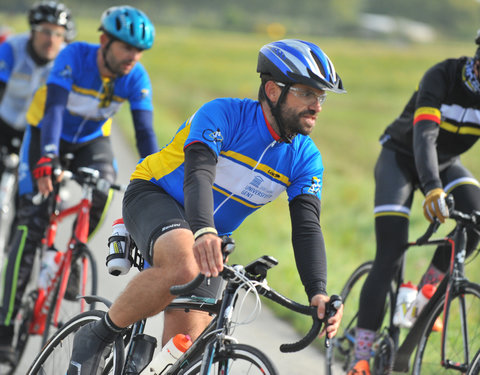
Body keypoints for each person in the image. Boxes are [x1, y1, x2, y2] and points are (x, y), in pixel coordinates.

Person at [66, 38, 346, 374]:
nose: (317, 105)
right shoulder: (224, 115)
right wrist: (203, 231)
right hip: (156, 195)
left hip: (210, 233)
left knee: (178, 360)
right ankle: (98, 335)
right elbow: (198, 174)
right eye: (307, 93)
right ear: (273, 90)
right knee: (185, 264)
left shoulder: (305, 158)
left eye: (321, 96)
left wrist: (317, 292)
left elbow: (307, 226)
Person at [0, 5, 158, 365]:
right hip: (45, 133)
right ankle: (5, 325)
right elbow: (54, 109)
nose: (133, 56)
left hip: (90, 140)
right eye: (126, 48)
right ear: (104, 41)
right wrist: (47, 158)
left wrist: (157, 179)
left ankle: (75, 254)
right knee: (31, 223)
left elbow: (145, 133)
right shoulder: (74, 56)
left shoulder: (136, 77)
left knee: (103, 186)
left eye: (139, 51)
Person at [348, 32, 480, 374]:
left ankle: (425, 292)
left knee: (478, 218)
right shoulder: (442, 75)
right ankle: (361, 354)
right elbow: (425, 137)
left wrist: (439, 180)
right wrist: (433, 187)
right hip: (401, 158)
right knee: (391, 251)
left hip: (448, 162)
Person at [0, 1, 75, 216]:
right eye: (45, 31)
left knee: (28, 198)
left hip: (36, 131)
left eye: (58, 34)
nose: (51, 39)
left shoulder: (66, 58)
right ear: (33, 30)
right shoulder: (11, 48)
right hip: (4, 122)